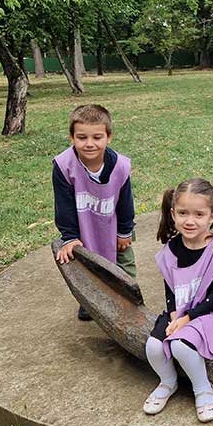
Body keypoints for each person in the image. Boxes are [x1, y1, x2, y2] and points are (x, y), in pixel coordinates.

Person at [143, 178, 213, 423]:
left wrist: (187, 318)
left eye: (199, 214)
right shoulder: (170, 251)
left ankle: (203, 388)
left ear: (212, 216)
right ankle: (168, 381)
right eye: (183, 213)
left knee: (180, 345)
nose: (190, 221)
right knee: (153, 346)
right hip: (182, 313)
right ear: (173, 213)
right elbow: (171, 289)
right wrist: (174, 314)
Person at [53, 104, 135, 321]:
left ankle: (127, 302)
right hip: (83, 226)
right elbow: (63, 205)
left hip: (115, 225)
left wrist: (125, 231)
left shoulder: (120, 166)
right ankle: (90, 303)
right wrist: (70, 237)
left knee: (124, 265)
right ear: (72, 138)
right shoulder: (64, 166)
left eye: (97, 137)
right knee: (85, 265)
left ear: (109, 137)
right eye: (82, 137)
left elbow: (126, 203)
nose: (89, 143)